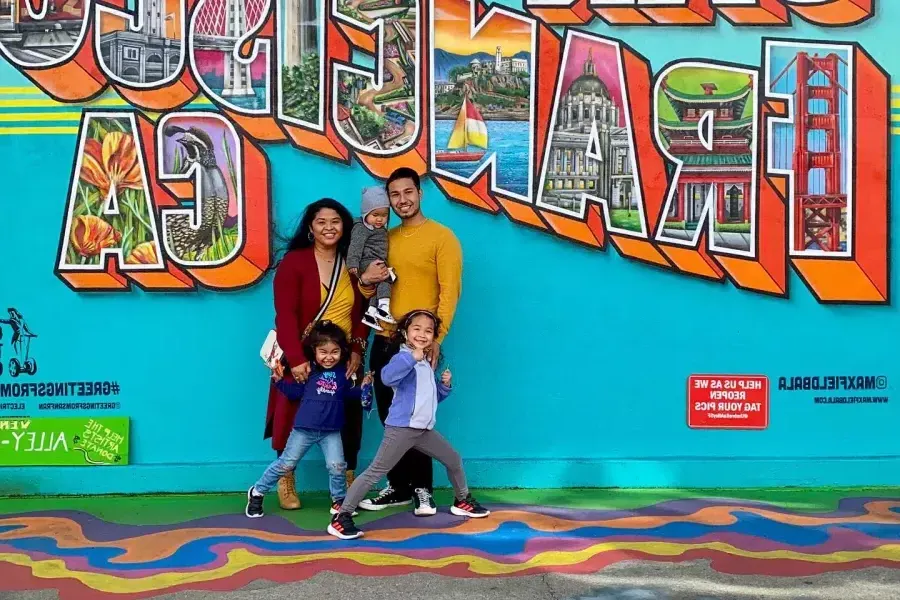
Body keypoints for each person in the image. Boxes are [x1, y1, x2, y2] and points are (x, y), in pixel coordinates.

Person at [265, 198, 386, 510]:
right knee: (291, 413)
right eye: (321, 222)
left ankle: (347, 483)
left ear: (344, 226)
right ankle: (285, 478)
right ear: (311, 228)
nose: (329, 227)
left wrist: (358, 350)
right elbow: (286, 315)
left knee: (349, 416)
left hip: (343, 355)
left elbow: (363, 313)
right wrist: (295, 358)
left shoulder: (353, 263)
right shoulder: (295, 262)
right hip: (303, 355)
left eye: (335, 221)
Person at [356, 167, 464, 517]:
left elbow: (450, 292)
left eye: (408, 192)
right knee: (392, 420)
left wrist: (436, 339)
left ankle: (423, 490)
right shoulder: (386, 238)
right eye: (395, 195)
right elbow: (369, 287)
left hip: (420, 345)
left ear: (420, 194)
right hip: (385, 341)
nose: (402, 200)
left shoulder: (442, 237)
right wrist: (366, 282)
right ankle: (399, 487)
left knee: (417, 420)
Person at [328, 310, 488, 540]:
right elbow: (387, 377)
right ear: (405, 332)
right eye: (417, 329)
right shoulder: (403, 357)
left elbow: (426, 398)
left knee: (453, 459)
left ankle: (462, 500)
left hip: (423, 431)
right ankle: (341, 518)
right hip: (401, 429)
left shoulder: (424, 363)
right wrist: (412, 357)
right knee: (375, 472)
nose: (422, 334)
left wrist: (443, 387)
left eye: (428, 331)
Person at [247, 322, 372, 518]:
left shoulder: (343, 374)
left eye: (335, 352)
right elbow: (295, 392)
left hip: (331, 432)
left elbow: (348, 394)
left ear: (342, 352)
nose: (329, 357)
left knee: (337, 466)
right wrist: (279, 381)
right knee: (285, 464)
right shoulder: (309, 371)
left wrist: (364, 388)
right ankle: (257, 492)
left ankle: (339, 501)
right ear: (314, 350)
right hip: (304, 430)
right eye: (323, 351)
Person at [347, 186, 397, 331]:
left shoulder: (379, 229)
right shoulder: (362, 228)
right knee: (386, 277)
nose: (380, 219)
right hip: (367, 261)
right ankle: (383, 308)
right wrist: (353, 263)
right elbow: (355, 245)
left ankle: (371, 313)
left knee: (382, 282)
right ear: (365, 213)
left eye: (384, 215)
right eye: (375, 215)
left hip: (375, 260)